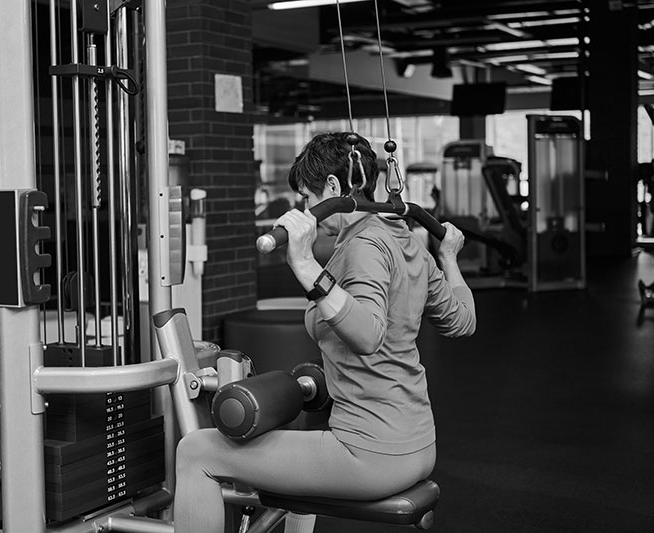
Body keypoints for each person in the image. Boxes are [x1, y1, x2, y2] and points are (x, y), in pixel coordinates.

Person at [174, 132, 476, 533]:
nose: (306, 208)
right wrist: (449, 258)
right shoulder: (402, 238)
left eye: (307, 196)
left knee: (196, 451)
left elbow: (368, 334)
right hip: (417, 444)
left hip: (369, 453)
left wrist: (302, 264)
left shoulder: (363, 246)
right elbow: (462, 319)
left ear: (334, 187)